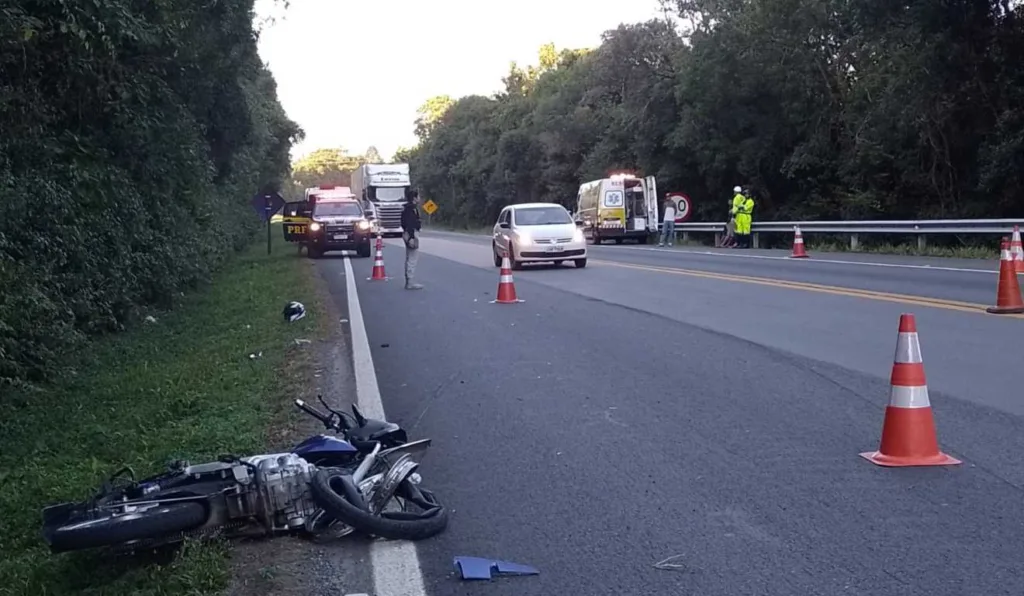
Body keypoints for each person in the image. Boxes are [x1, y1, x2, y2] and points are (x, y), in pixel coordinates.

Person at [400, 188, 423, 290]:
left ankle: (408, 280)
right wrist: (412, 237)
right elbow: (410, 224)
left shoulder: (405, 208)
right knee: (412, 258)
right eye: (418, 197)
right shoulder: (411, 209)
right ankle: (410, 282)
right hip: (411, 234)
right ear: (414, 198)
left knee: (409, 257)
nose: (419, 198)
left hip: (407, 233)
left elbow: (404, 223)